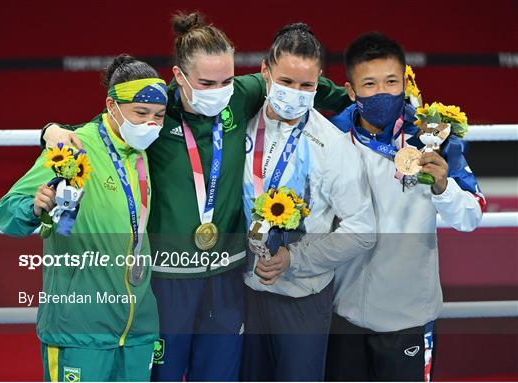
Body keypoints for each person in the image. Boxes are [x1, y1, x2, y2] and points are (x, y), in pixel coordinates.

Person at [41, 12, 352, 381]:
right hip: (167, 280)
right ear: (179, 76)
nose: (219, 90)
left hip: (227, 279)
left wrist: (361, 100)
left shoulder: (240, 95)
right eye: (206, 82)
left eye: (226, 80)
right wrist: (51, 129)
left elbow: (303, 83)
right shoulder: (157, 114)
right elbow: (100, 133)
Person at [0, 54, 168, 381]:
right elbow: (6, 213)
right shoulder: (74, 146)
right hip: (79, 329)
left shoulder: (143, 154)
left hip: (137, 331)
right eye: (141, 113)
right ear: (112, 105)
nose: (151, 124)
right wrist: (34, 206)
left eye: (159, 116)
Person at [323, 32, 485, 381]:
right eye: (370, 83)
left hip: (409, 317)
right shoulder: (330, 136)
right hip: (343, 312)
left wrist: (444, 187)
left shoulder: (433, 137)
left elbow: (471, 217)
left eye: (391, 81)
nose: (383, 92)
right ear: (351, 91)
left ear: (405, 81)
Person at [240, 23, 376, 381]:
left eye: (306, 86)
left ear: (319, 83)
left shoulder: (332, 146)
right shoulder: (239, 125)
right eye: (286, 82)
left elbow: (363, 231)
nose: (295, 94)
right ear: (265, 72)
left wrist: (293, 259)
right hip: (238, 295)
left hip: (302, 299)